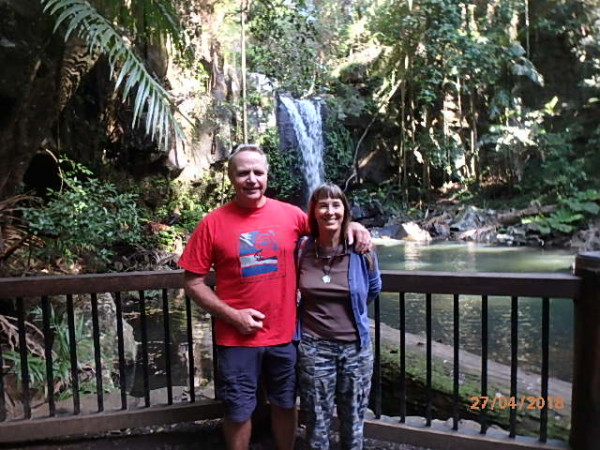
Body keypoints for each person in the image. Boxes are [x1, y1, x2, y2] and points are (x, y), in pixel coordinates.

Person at [178, 145, 371, 450]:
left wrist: (356, 226)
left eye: (257, 172)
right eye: (243, 173)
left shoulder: (292, 215)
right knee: (238, 410)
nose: (251, 179)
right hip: (236, 338)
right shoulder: (212, 223)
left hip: (286, 335)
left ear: (267, 175)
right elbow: (192, 282)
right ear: (231, 177)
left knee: (284, 403)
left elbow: (329, 225)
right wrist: (233, 315)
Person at [296, 183, 382, 450]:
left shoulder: (361, 250)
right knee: (316, 423)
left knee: (353, 423)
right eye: (323, 205)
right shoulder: (301, 249)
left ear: (345, 210)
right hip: (314, 348)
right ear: (313, 211)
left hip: (355, 350)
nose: (329, 211)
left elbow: (374, 287)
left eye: (336, 205)